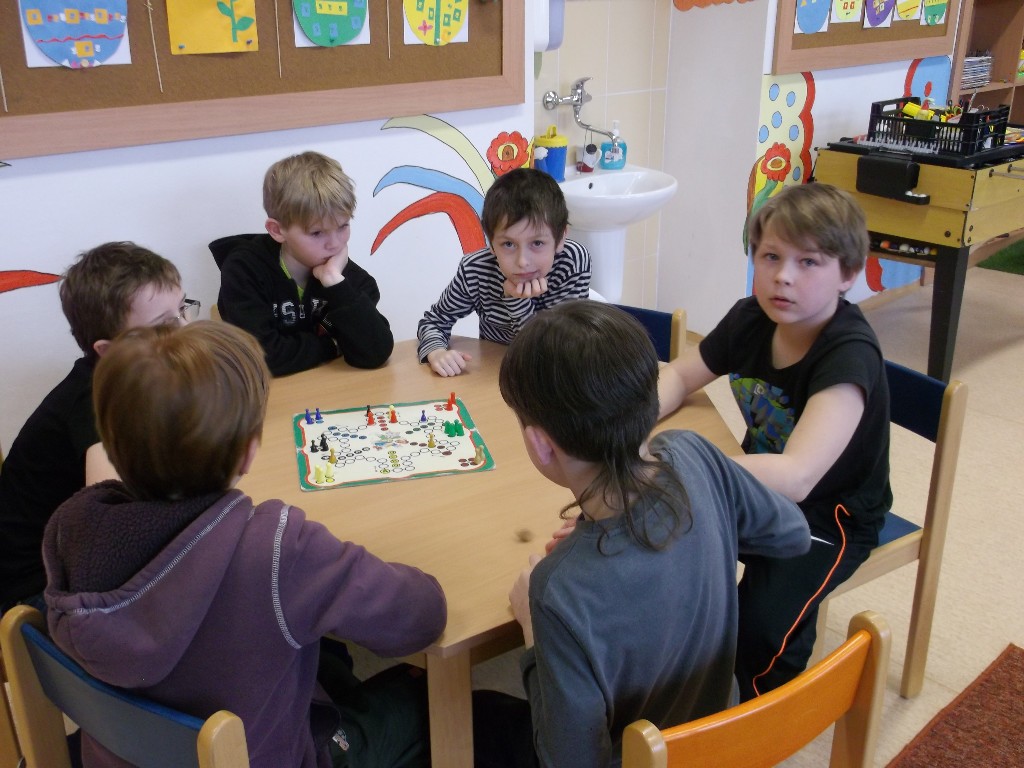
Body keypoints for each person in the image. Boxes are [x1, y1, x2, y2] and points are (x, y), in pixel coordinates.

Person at [42, 321, 446, 768]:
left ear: (111, 446)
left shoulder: (69, 528)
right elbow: (422, 617)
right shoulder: (277, 550)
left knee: (325, 664)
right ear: (249, 452)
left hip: (120, 756)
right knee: (439, 698)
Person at [473, 301, 810, 768]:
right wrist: (704, 527)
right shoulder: (693, 452)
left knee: (473, 716)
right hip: (722, 737)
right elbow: (792, 534)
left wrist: (532, 628)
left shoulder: (557, 590)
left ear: (539, 443)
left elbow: (569, 760)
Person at [657, 182, 893, 700]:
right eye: (770, 256)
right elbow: (678, 375)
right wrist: (626, 424)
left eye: (808, 262)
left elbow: (799, 475)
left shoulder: (848, 353)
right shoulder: (751, 318)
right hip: (754, 487)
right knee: (658, 556)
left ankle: (763, 711)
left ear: (848, 274)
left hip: (830, 516)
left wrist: (679, 468)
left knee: (761, 629)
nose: (783, 276)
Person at [0, 242, 192, 614]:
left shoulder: (143, 375)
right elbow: (115, 534)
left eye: (183, 309)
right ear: (108, 350)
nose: (186, 330)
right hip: (38, 589)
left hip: (76, 559)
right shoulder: (94, 404)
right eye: (164, 325)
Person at [211, 150, 394, 377]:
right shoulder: (244, 270)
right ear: (277, 230)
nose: (335, 244)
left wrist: (334, 282)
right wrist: (332, 345)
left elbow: (375, 353)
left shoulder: (350, 279)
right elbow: (260, 356)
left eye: (343, 226)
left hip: (330, 390)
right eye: (317, 233)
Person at [416, 168, 591, 377]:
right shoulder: (475, 269)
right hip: (496, 375)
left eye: (537, 243)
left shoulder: (572, 261)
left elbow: (556, 353)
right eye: (508, 244)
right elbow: (434, 321)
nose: (522, 262)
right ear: (491, 243)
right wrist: (436, 351)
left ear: (560, 238)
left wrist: (516, 301)